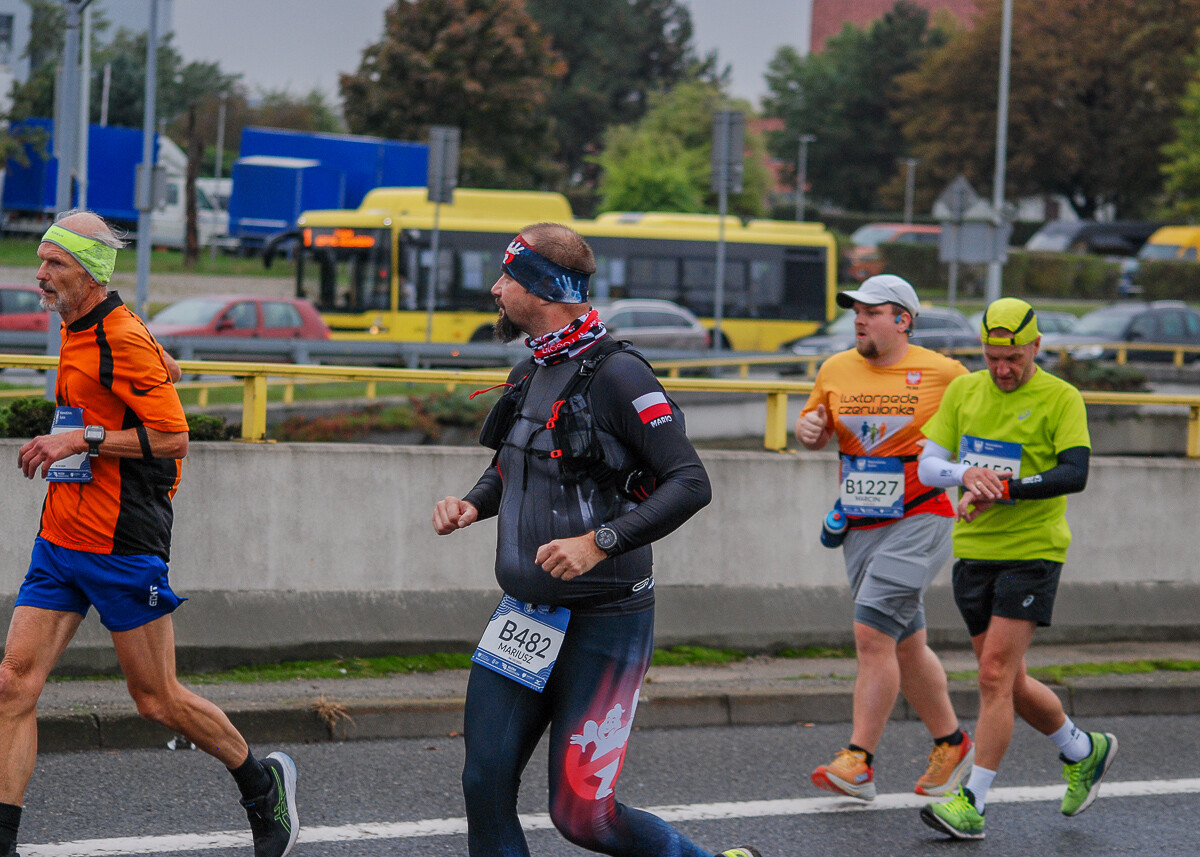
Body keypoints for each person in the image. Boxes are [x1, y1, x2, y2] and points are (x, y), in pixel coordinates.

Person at [432, 223, 758, 857]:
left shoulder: (620, 374)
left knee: (583, 816)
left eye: (508, 278)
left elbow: (690, 482)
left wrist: (600, 542)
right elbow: (513, 463)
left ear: (545, 289)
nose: (496, 289)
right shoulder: (533, 368)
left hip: (606, 617)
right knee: (483, 781)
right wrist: (471, 504)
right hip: (524, 614)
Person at [2, 210, 299, 857]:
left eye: (54, 263)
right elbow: (153, 376)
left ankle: (261, 783)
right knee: (13, 686)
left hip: (120, 543)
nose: (40, 274)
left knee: (156, 698)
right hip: (60, 538)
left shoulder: (120, 337)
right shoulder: (82, 323)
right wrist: (159, 368)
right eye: (42, 260)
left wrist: (80, 436)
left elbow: (172, 435)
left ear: (89, 270)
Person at [917, 298, 1116, 840]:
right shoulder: (964, 390)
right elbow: (929, 464)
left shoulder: (1060, 396)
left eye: (1013, 358)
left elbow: (1075, 473)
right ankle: (1082, 749)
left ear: (1035, 347)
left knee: (992, 677)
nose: (1003, 369)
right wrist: (967, 472)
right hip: (975, 551)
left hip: (1034, 552)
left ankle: (972, 803)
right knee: (1011, 680)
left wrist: (1005, 487)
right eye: (993, 357)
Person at [794, 274, 974, 801]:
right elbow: (815, 424)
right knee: (906, 644)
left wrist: (974, 479)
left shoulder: (946, 374)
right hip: (860, 522)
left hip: (922, 516)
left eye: (872, 311)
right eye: (856, 310)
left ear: (903, 320)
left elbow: (984, 429)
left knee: (872, 634)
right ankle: (952, 741)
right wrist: (809, 431)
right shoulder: (835, 367)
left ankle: (859, 761)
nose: (859, 318)